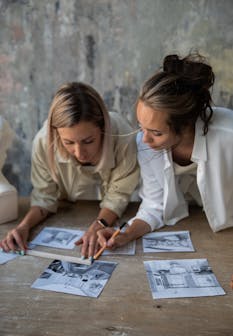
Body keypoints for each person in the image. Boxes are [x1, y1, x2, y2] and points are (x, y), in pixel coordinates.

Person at [97, 52, 233, 250]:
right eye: (141, 127)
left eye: (156, 132)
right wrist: (126, 235)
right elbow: (155, 205)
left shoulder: (228, 137)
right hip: (201, 226)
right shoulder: (145, 142)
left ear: (186, 125)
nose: (144, 139)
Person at [0, 82, 139, 258]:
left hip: (118, 213)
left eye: (88, 141)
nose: (80, 153)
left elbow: (117, 196)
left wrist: (99, 224)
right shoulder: (43, 142)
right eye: (68, 143)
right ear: (56, 134)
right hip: (68, 212)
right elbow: (44, 197)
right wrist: (23, 227)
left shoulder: (123, 137)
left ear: (103, 128)